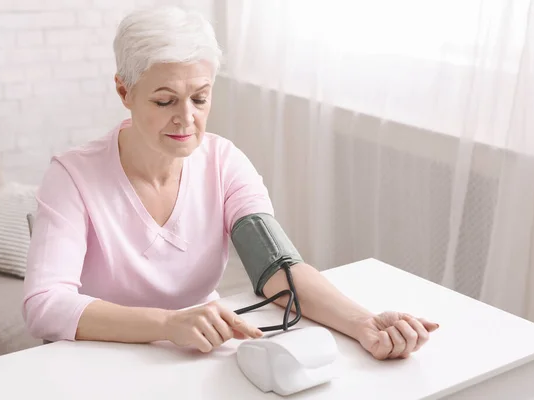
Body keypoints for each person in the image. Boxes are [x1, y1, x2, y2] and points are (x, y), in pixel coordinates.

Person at [23, 6, 438, 361]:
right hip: (99, 358)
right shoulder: (72, 177)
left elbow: (277, 268)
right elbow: (45, 305)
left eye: (200, 98)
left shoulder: (224, 162)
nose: (186, 118)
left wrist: (364, 324)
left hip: (198, 353)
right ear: (124, 90)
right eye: (165, 100)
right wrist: (168, 323)